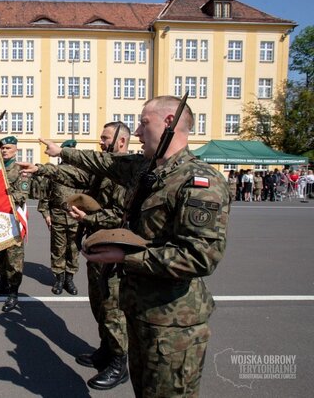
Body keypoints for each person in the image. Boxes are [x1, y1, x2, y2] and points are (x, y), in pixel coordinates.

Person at [20, 96, 231, 397]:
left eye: (144, 123)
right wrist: (61, 152)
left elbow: (200, 257)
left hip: (172, 322)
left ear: (169, 122)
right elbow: (101, 161)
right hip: (139, 309)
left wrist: (125, 254)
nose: (138, 132)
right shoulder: (146, 168)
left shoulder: (199, 182)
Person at [30, 122, 132, 390]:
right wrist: (41, 169)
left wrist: (91, 217)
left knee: (113, 308)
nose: (101, 142)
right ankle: (106, 350)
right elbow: (77, 178)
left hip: (114, 246)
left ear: (121, 142)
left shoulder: (126, 173)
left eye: (105, 138)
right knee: (99, 303)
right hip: (97, 244)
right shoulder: (105, 170)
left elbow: (122, 215)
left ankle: (119, 363)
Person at [0, 136, 32, 312]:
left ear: (16, 150)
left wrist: (1, 199)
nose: (5, 150)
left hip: (13, 218)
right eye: (3, 148)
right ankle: (2, 282)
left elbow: (22, 194)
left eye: (9, 148)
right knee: (2, 254)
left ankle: (13, 292)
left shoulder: (21, 169)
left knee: (14, 258)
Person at [37, 139, 82, 295]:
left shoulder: (82, 173)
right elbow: (45, 195)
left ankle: (69, 278)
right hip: (57, 216)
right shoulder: (54, 172)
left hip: (77, 218)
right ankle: (59, 278)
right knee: (58, 249)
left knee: (74, 249)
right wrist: (46, 214)